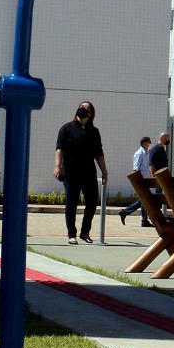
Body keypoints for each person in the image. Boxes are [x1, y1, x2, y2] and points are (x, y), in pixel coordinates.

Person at [54, 100, 107, 245]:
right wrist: (58, 166)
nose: (84, 109)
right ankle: (72, 234)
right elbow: (60, 148)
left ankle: (85, 232)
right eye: (82, 107)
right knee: (71, 203)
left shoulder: (94, 132)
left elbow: (99, 153)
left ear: (91, 114)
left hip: (88, 172)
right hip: (71, 172)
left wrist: (104, 171)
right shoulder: (67, 128)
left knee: (92, 201)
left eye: (87, 108)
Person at [117, 136, 151, 224]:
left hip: (146, 179)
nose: (149, 145)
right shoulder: (139, 153)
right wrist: (138, 181)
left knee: (144, 200)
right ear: (144, 143)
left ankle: (126, 213)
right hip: (141, 180)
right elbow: (136, 169)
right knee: (144, 199)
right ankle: (143, 220)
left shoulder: (146, 153)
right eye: (148, 143)